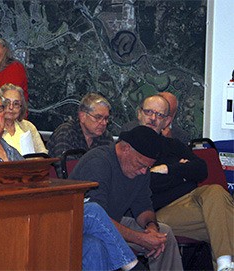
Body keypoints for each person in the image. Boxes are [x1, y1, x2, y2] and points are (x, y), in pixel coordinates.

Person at [0, 83, 137, 271]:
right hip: (4, 227)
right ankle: (133, 267)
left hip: (32, 219)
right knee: (92, 211)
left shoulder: (12, 152)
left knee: (93, 245)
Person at [134, 94, 234, 270]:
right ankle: (225, 263)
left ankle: (225, 266)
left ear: (166, 120)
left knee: (216, 192)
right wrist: (182, 174)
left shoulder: (173, 145)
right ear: (139, 114)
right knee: (224, 220)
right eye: (149, 112)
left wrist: (169, 169)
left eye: (159, 115)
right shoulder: (130, 147)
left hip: (190, 204)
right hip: (154, 215)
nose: (153, 118)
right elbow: (147, 184)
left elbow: (201, 170)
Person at [70, 126, 184, 270]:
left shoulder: (142, 169)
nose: (144, 171)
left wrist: (151, 228)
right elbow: (97, 219)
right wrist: (141, 239)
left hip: (116, 220)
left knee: (163, 235)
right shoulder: (98, 162)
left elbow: (143, 206)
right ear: (125, 149)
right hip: (86, 227)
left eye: (148, 167)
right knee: (96, 240)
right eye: (141, 165)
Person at [47, 92, 114, 158]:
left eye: (106, 118)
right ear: (82, 116)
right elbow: (66, 167)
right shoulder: (66, 133)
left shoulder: (106, 137)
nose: (104, 123)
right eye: (98, 117)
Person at [1, 83, 47, 155]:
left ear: (21, 107)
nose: (11, 107)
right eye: (7, 102)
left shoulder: (28, 127)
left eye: (16, 104)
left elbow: (43, 154)